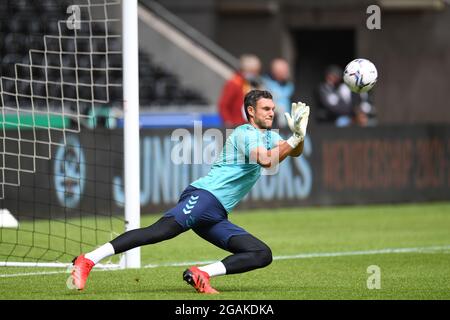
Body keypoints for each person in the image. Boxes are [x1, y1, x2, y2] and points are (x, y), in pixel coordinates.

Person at [68, 90, 310, 294]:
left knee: (261, 253)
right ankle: (88, 259)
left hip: (216, 214)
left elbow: (292, 152)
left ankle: (201, 273)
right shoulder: (244, 133)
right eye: (266, 108)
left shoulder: (270, 136)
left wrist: (299, 136)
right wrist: (294, 139)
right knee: (160, 231)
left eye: (272, 108)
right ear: (250, 111)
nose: (271, 112)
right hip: (204, 197)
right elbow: (268, 161)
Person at [218, 54, 264, 128]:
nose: (256, 75)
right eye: (254, 72)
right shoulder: (234, 83)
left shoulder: (252, 84)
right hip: (236, 125)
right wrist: (228, 122)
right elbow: (223, 105)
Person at [262, 58, 295, 128]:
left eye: (287, 70)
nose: (287, 73)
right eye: (284, 71)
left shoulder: (290, 85)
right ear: (275, 71)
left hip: (288, 124)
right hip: (271, 125)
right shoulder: (264, 83)